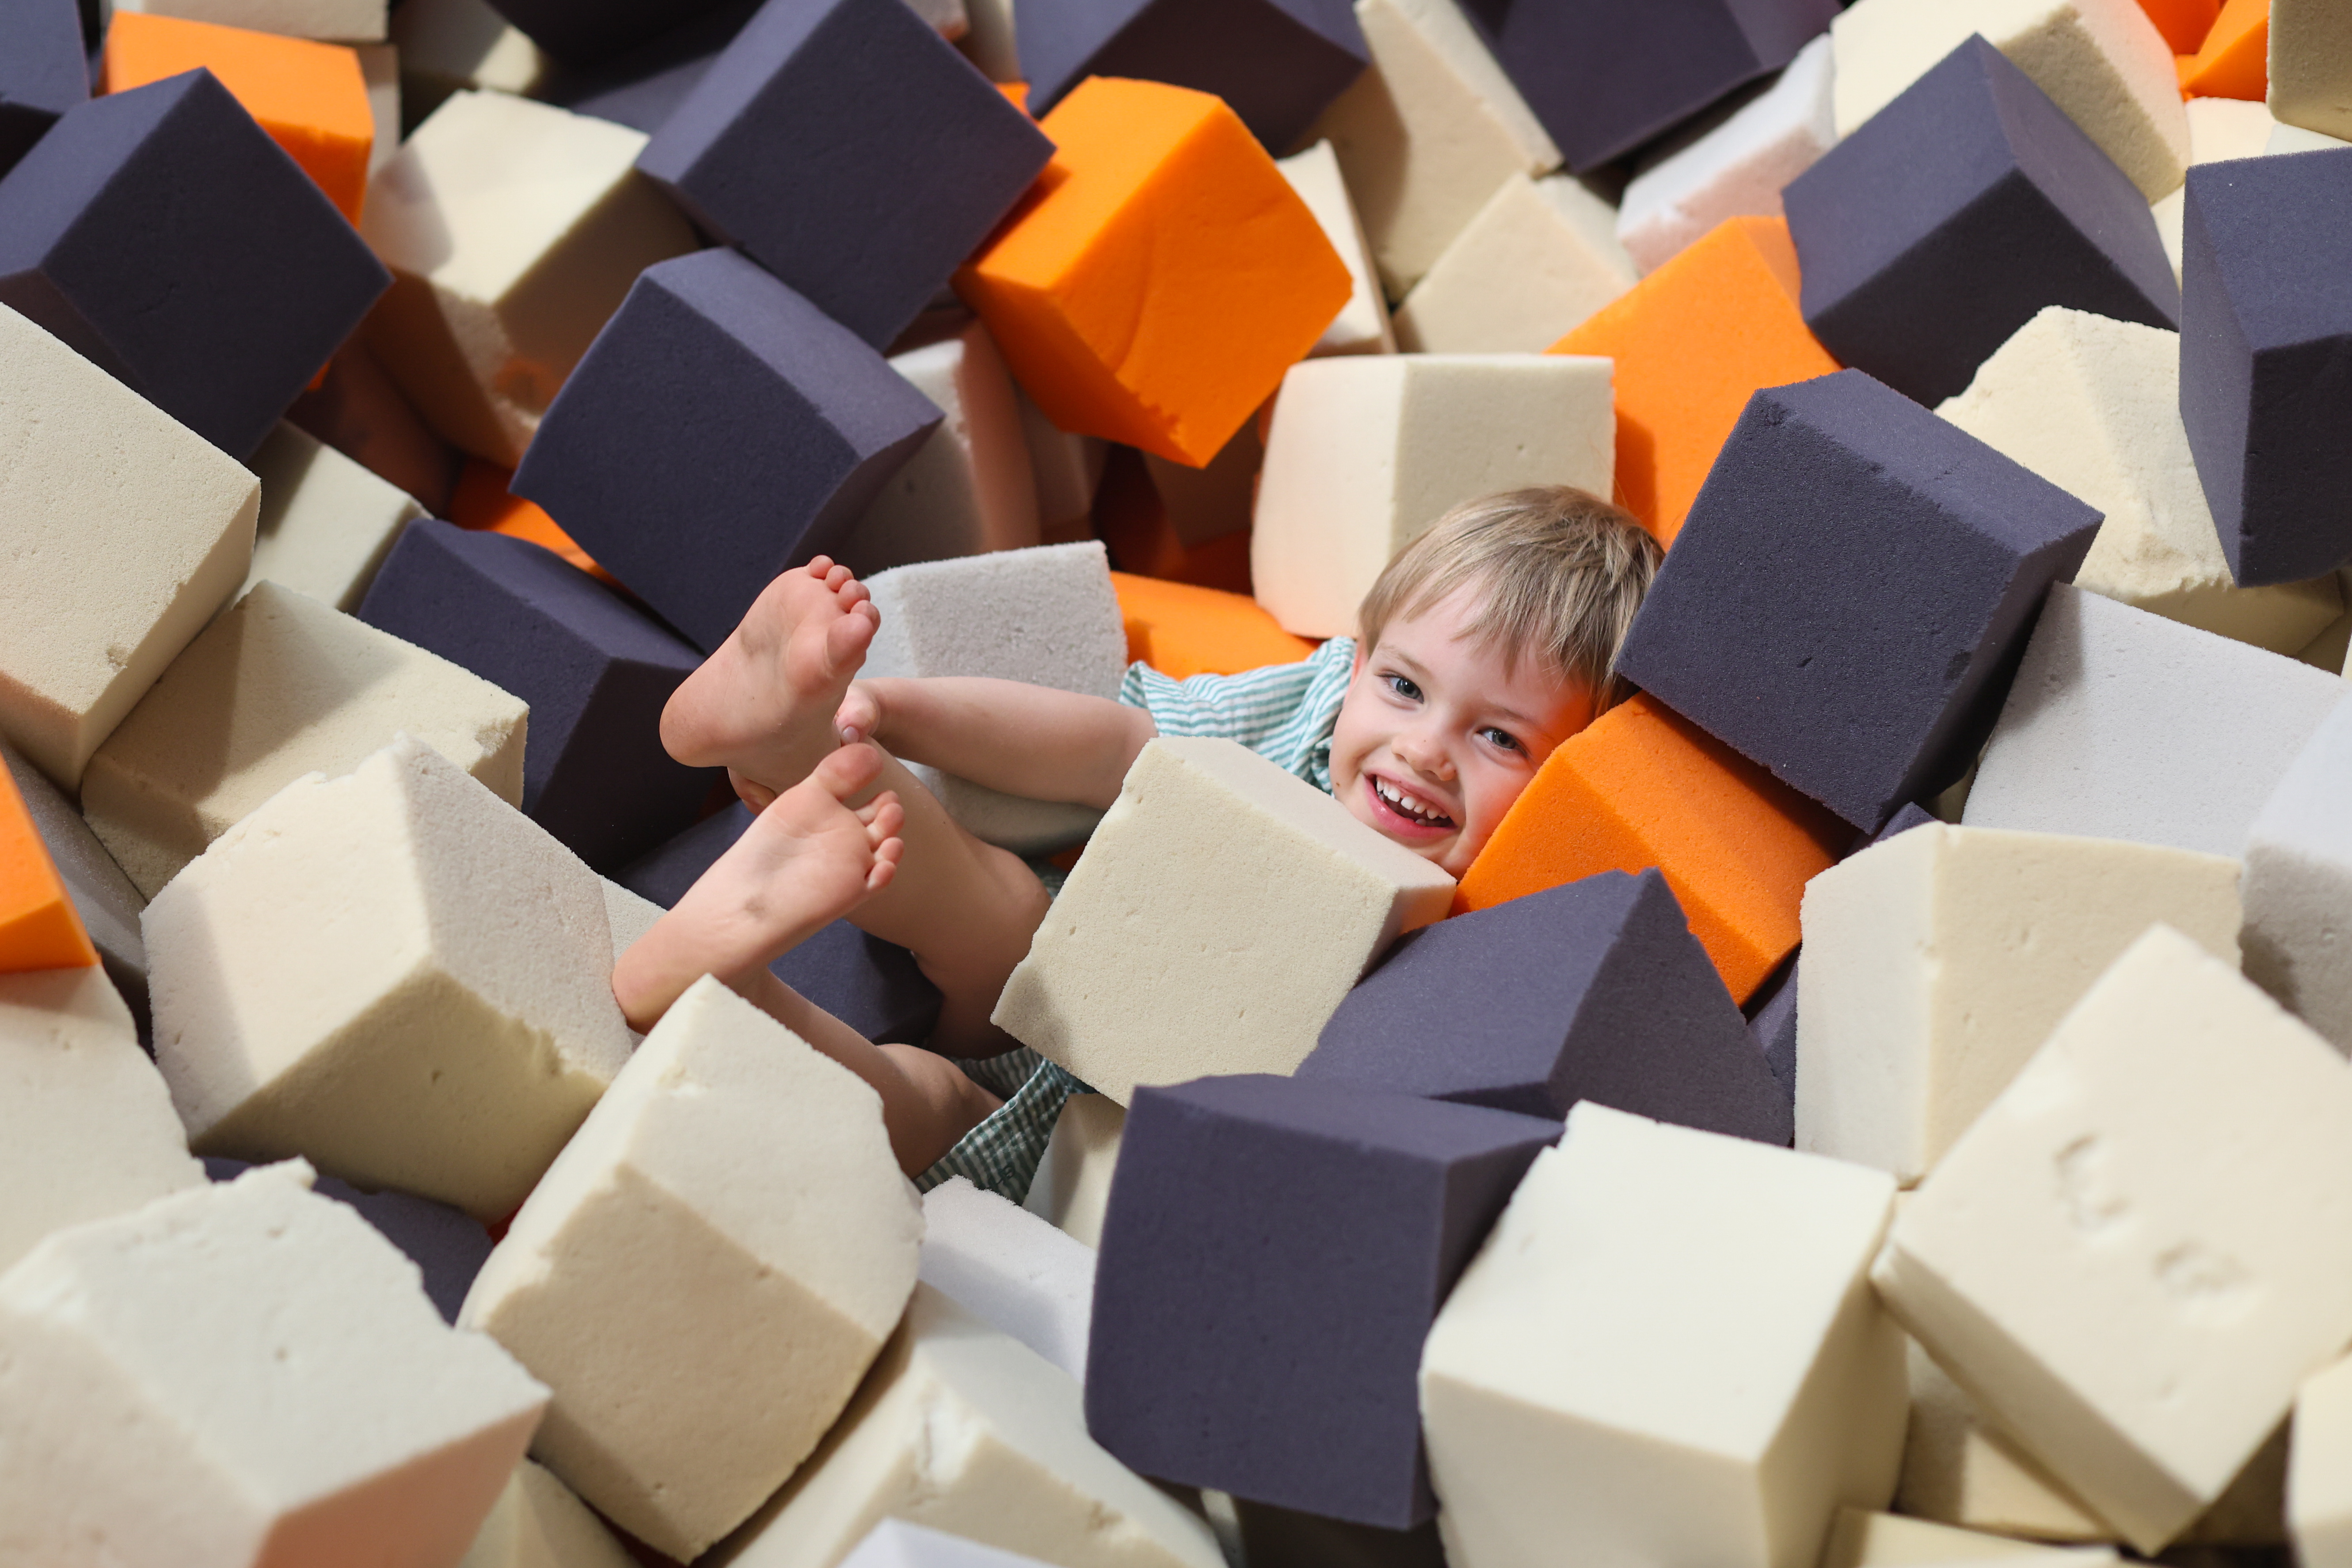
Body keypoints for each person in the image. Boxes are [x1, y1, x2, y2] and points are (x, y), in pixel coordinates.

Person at [613, 484, 1662, 1185]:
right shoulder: (1316, 710)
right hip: (1060, 974)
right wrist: (890, 710)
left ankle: (725, 985)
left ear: (1568, 777)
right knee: (1001, 905)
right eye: (1403, 685)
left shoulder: (1495, 927)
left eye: (1497, 736)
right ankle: (796, 735)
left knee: (924, 1102)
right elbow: (1112, 746)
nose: (1425, 749)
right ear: (1363, 659)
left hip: (1097, 1140)